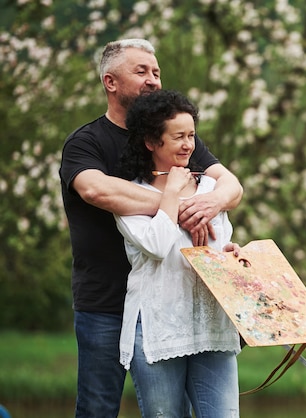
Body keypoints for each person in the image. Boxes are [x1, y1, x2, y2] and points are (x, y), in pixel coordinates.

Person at [59, 39, 243, 418]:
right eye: (141, 71)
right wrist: (179, 204)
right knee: (98, 408)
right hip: (107, 300)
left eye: (156, 72)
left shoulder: (177, 138)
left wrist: (210, 204)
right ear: (110, 82)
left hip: (181, 300)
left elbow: (230, 187)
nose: (152, 80)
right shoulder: (86, 141)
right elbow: (97, 189)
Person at [115, 89, 241, 418]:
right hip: (159, 325)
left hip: (211, 322)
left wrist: (231, 254)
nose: (189, 145)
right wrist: (171, 191)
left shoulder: (210, 191)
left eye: (192, 136)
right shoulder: (130, 194)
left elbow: (217, 246)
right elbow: (156, 246)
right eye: (178, 137)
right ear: (152, 142)